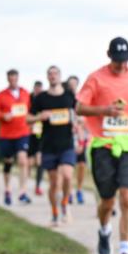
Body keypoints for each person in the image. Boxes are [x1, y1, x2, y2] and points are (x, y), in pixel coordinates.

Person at [76, 37, 128, 254]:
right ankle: (104, 230)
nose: (121, 66)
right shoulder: (96, 78)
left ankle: (125, 252)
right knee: (107, 201)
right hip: (103, 146)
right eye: (117, 61)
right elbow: (79, 107)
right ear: (109, 56)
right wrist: (103, 110)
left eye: (124, 61)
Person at [30, 66, 77, 226]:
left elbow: (77, 113)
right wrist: (39, 117)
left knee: (68, 175)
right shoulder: (41, 98)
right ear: (47, 77)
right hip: (48, 145)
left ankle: (65, 202)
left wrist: (78, 125)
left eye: (55, 73)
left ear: (60, 76)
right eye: (50, 74)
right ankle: (55, 213)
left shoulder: (69, 95)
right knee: (54, 183)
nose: (53, 76)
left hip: (67, 143)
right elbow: (27, 118)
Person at [0, 69, 32, 206]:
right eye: (10, 78)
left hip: (23, 132)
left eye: (15, 77)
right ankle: (7, 189)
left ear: (18, 78)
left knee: (23, 160)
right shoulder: (1, 95)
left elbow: (31, 110)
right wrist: (3, 116)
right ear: (8, 79)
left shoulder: (25, 93)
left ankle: (22, 192)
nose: (13, 80)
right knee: (8, 162)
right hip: (6, 134)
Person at [67, 75, 88, 205]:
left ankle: (79, 189)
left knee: (81, 166)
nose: (73, 86)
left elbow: (87, 119)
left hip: (81, 137)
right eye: (71, 84)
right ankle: (68, 192)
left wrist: (82, 121)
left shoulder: (83, 100)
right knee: (69, 167)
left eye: (75, 84)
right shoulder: (64, 99)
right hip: (68, 138)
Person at [28, 80, 45, 196]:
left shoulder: (45, 99)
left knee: (39, 160)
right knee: (29, 161)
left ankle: (38, 186)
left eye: (40, 89)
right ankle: (26, 183)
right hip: (29, 133)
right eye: (36, 88)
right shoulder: (28, 99)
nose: (38, 91)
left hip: (41, 133)